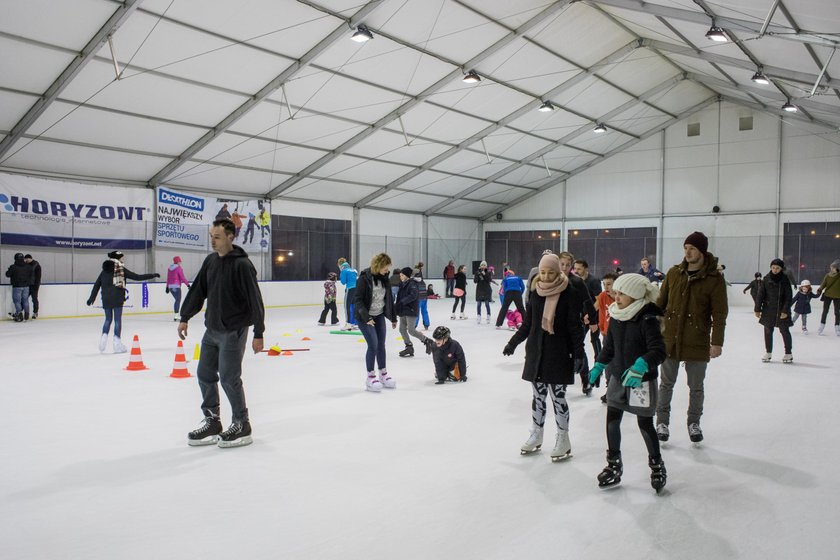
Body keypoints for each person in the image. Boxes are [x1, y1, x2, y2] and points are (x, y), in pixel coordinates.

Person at [179, 219, 265, 448]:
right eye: (211, 236)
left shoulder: (242, 265)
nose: (212, 241)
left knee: (229, 378)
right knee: (204, 374)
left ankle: (241, 424)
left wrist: (259, 332)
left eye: (216, 237)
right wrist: (185, 316)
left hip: (233, 330)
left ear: (230, 237)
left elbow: (255, 300)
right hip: (212, 330)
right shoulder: (211, 262)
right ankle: (212, 421)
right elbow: (198, 289)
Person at [502, 253, 585, 462]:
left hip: (558, 353)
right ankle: (536, 434)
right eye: (543, 272)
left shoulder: (569, 293)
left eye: (550, 272)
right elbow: (528, 323)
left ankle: (562, 438)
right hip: (537, 352)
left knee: (558, 397)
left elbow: (574, 326)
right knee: (538, 397)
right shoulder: (536, 293)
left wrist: (578, 353)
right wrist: (513, 343)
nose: (546, 276)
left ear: (558, 272)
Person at [588, 273, 666, 492]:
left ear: (635, 295)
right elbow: (609, 348)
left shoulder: (647, 318)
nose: (616, 296)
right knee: (612, 419)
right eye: (616, 292)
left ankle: (657, 465)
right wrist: (599, 366)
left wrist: (641, 365)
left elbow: (659, 351)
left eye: (622, 293)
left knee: (645, 424)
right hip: (618, 377)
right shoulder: (616, 316)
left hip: (641, 381)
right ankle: (613, 465)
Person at [655, 232, 728, 444]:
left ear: (702, 251)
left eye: (692, 248)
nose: (687, 252)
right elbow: (660, 303)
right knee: (666, 383)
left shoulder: (714, 279)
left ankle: (694, 423)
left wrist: (717, 342)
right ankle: (662, 422)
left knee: (696, 387)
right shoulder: (674, 273)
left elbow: (720, 314)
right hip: (670, 338)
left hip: (697, 339)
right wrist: (651, 330)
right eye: (685, 247)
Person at [87, 250, 159, 353]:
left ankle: (104, 338)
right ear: (118, 258)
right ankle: (117, 343)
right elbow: (136, 277)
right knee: (117, 320)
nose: (123, 259)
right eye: (122, 257)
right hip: (117, 297)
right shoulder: (121, 269)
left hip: (106, 298)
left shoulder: (104, 271)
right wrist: (152, 275)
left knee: (108, 319)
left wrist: (91, 298)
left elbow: (97, 285)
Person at [354, 253, 398, 392]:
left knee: (381, 345)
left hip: (378, 316)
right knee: (373, 344)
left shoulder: (385, 278)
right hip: (365, 317)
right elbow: (358, 300)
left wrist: (393, 317)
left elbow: (389, 299)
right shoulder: (364, 278)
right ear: (378, 266)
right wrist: (367, 317)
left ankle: (383, 374)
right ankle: (370, 377)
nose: (387, 271)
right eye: (385, 268)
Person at [558, 252, 596, 396]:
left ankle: (586, 380)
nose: (565, 267)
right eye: (562, 264)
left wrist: (592, 320)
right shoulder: (553, 279)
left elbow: (588, 302)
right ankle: (562, 382)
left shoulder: (577, 282)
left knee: (579, 352)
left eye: (568, 265)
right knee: (561, 353)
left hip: (575, 324)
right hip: (558, 325)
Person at [755, 259, 794, 363]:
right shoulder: (766, 279)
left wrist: (785, 310)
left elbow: (788, 296)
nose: (775, 270)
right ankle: (768, 352)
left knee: (784, 331)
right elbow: (760, 295)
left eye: (777, 268)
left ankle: (788, 353)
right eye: (773, 268)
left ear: (781, 269)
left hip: (782, 310)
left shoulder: (785, 279)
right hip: (768, 310)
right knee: (768, 331)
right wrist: (757, 309)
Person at [395, 267, 433, 358]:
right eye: (400, 275)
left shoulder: (413, 284)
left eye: (402, 275)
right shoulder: (402, 284)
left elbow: (413, 296)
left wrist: (401, 302)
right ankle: (409, 347)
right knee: (402, 329)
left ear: (407, 275)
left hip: (411, 309)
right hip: (403, 310)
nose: (401, 277)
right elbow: (399, 296)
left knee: (411, 330)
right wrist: (397, 305)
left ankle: (427, 341)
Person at [595, 272, 618, 404]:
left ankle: (624, 391)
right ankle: (610, 391)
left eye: (609, 284)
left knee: (620, 363)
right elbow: (595, 308)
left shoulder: (623, 296)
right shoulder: (603, 296)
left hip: (621, 337)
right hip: (606, 335)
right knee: (608, 364)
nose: (606, 287)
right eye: (604, 284)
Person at [573, 259, 603, 359]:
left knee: (594, 340)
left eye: (579, 269)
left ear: (585, 269)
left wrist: (590, 315)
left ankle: (599, 363)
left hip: (594, 316)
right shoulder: (576, 281)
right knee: (578, 340)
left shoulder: (593, 281)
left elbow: (599, 300)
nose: (576, 271)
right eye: (575, 268)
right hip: (582, 316)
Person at [6, 252, 33, 322]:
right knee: (25, 300)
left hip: (17, 286)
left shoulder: (13, 267)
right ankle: (27, 314)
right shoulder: (28, 266)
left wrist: (9, 270)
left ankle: (19, 314)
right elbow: (31, 274)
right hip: (26, 286)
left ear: (15, 259)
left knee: (17, 301)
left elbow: (7, 274)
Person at [816, 259, 840, 336]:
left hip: (838, 296)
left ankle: (837, 327)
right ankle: (822, 326)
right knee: (825, 311)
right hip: (827, 295)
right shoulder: (827, 275)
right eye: (831, 267)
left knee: (837, 312)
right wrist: (820, 289)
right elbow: (824, 284)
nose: (831, 269)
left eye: (833, 267)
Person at [166, 256, 190, 322]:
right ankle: (176, 315)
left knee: (177, 300)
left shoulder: (169, 268)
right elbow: (182, 277)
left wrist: (167, 287)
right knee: (178, 300)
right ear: (178, 261)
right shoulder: (178, 268)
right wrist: (188, 285)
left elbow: (168, 278)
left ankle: (176, 314)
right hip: (176, 286)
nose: (180, 262)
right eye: (180, 261)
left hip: (170, 287)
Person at [338, 258, 358, 331]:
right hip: (356, 289)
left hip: (350, 289)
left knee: (347, 306)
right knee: (354, 306)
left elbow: (343, 282)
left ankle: (348, 324)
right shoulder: (353, 270)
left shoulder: (344, 271)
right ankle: (355, 323)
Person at [413, 262, 430, 331]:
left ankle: (414, 325)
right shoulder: (422, 281)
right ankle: (426, 324)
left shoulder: (414, 282)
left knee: (416, 311)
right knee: (424, 311)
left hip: (418, 298)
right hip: (424, 298)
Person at [24, 254, 41, 319]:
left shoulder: (37, 265)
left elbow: (38, 277)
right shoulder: (25, 265)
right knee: (24, 299)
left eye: (26, 259)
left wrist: (36, 286)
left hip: (34, 286)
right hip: (27, 285)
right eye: (25, 259)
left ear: (30, 258)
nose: (25, 260)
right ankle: (21, 312)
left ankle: (35, 312)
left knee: (34, 299)